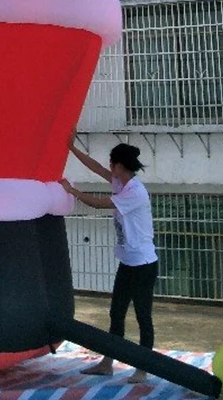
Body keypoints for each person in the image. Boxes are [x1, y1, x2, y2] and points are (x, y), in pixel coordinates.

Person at [61, 141, 158, 383]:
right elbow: (95, 167)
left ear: (120, 166)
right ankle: (107, 362)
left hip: (144, 264)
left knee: (143, 316)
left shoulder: (135, 191)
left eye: (111, 163)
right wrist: (72, 148)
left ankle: (143, 368)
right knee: (116, 312)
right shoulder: (120, 182)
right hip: (128, 262)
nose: (108, 167)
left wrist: (72, 191)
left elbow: (100, 204)